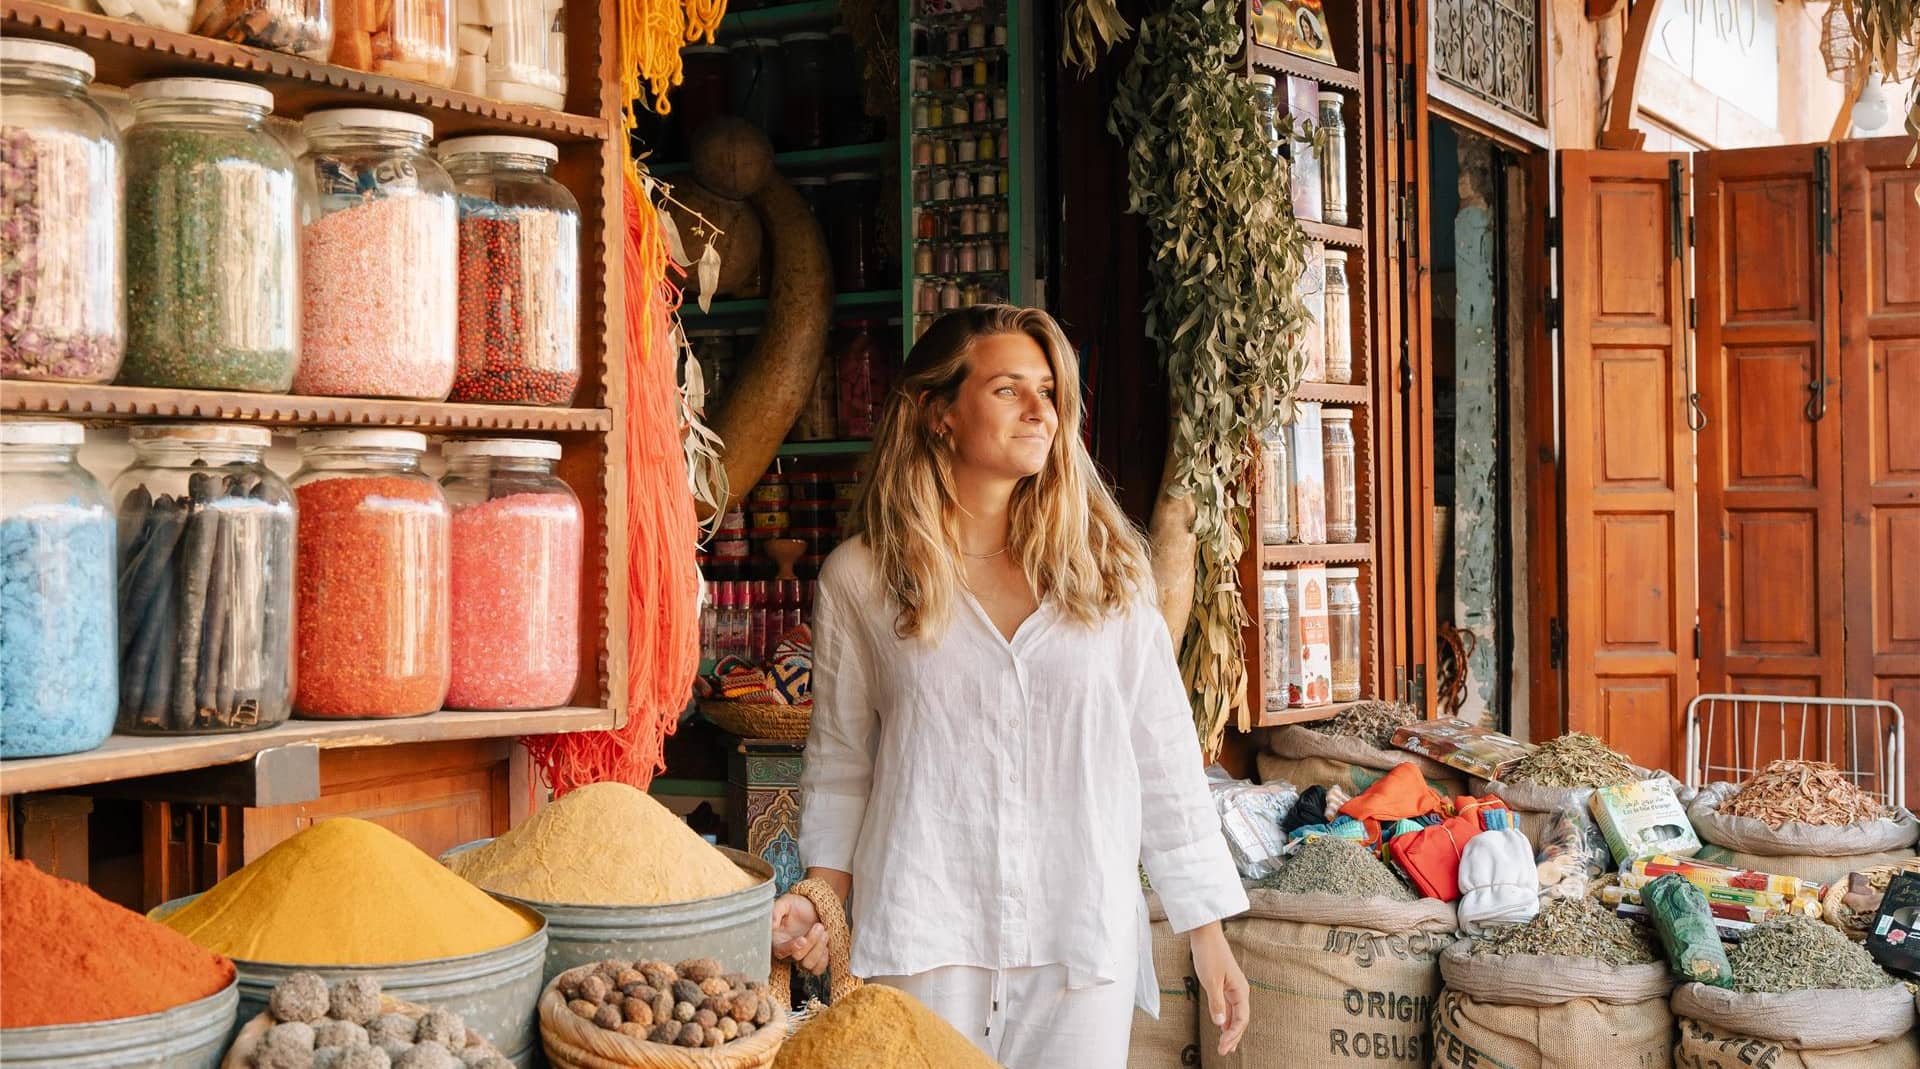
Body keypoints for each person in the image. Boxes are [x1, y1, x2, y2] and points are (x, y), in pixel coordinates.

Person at [769, 305, 1250, 1066]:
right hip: (924, 931)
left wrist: (1206, 933)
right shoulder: (862, 579)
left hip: (1077, 936)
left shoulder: (1109, 578)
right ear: (938, 414)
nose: (1042, 411)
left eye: (1050, 391)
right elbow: (839, 766)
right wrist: (823, 902)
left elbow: (1160, 754)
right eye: (1008, 389)